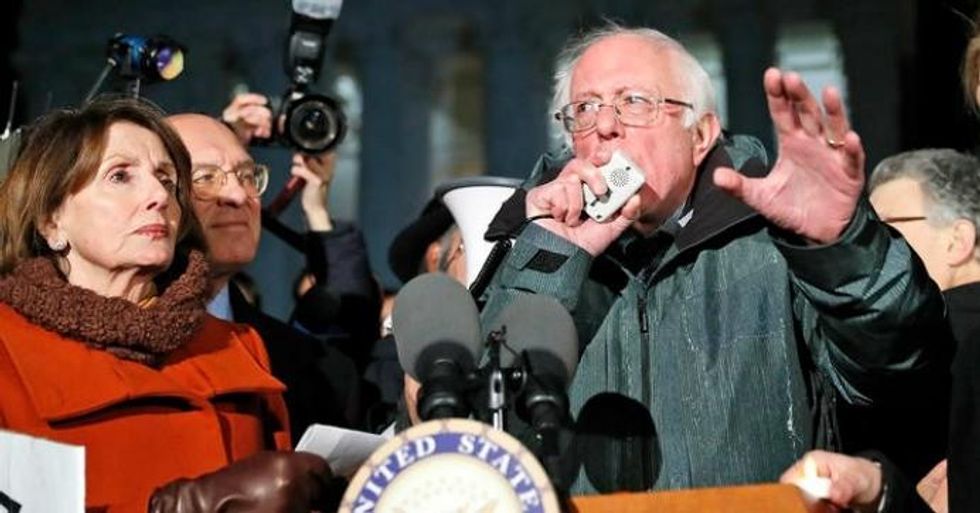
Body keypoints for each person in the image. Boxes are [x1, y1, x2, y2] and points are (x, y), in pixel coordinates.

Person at [478, 24, 949, 495]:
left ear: (700, 135)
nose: (605, 126)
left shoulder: (774, 246)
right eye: (584, 109)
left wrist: (842, 247)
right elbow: (482, 434)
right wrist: (553, 258)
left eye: (635, 102)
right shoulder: (538, 247)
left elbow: (900, 371)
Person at [0, 97, 332, 512]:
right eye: (120, 176)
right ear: (52, 220)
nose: (157, 195)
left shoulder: (238, 347)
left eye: (166, 178)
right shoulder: (8, 350)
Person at [167, 110, 372, 433]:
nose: (238, 195)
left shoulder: (315, 369)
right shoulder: (96, 350)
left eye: (247, 175)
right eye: (206, 178)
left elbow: (350, 321)